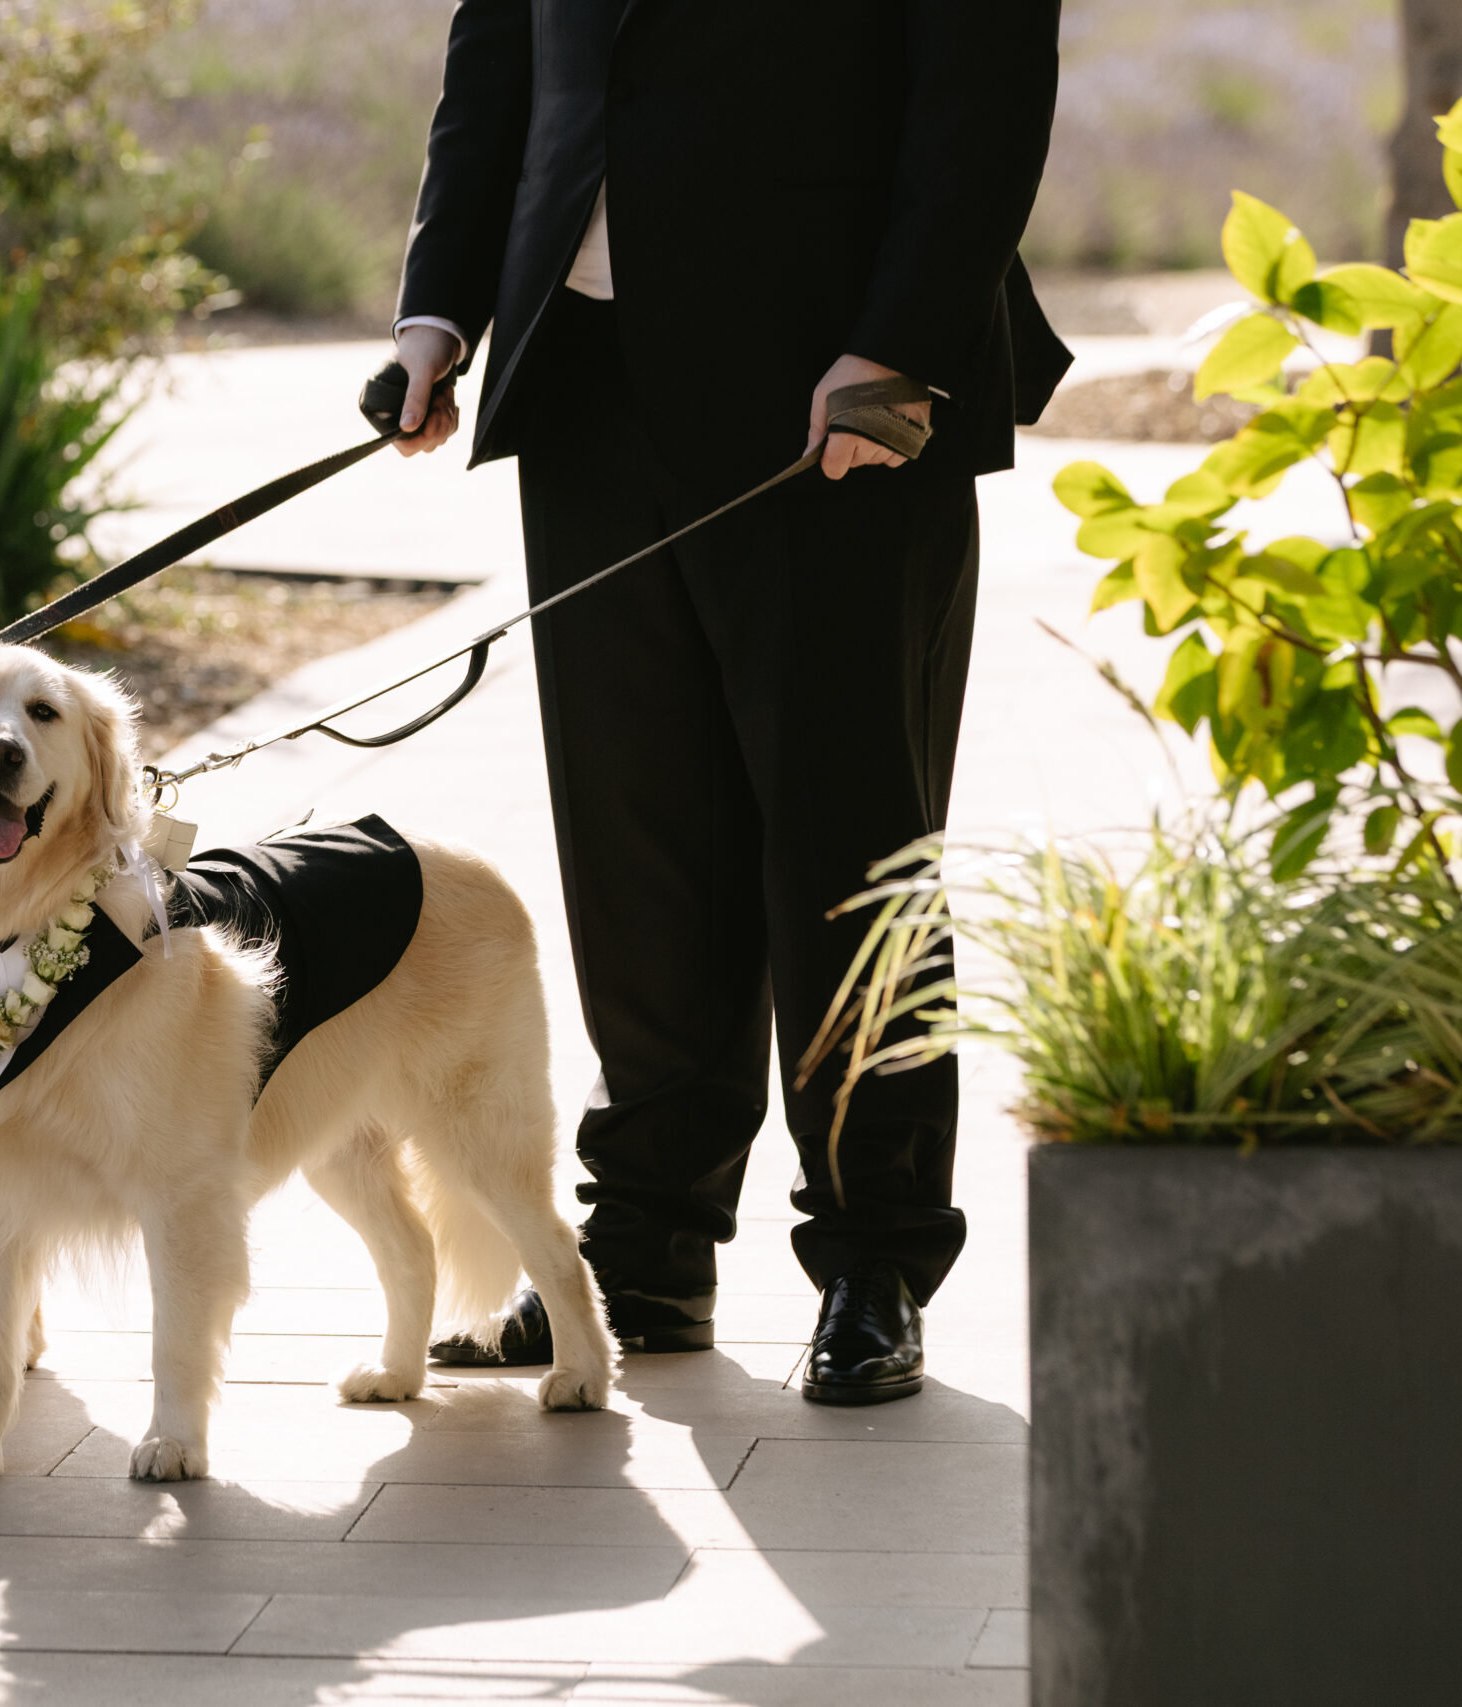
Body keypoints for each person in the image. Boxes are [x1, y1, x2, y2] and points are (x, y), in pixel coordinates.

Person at [390, 0, 1070, 1404]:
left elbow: (985, 88)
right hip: (585, 385)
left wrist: (903, 342)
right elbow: (502, 57)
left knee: (847, 847)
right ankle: (644, 1250)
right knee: (636, 843)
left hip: (840, 397)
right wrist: (441, 309)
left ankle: (876, 1259)